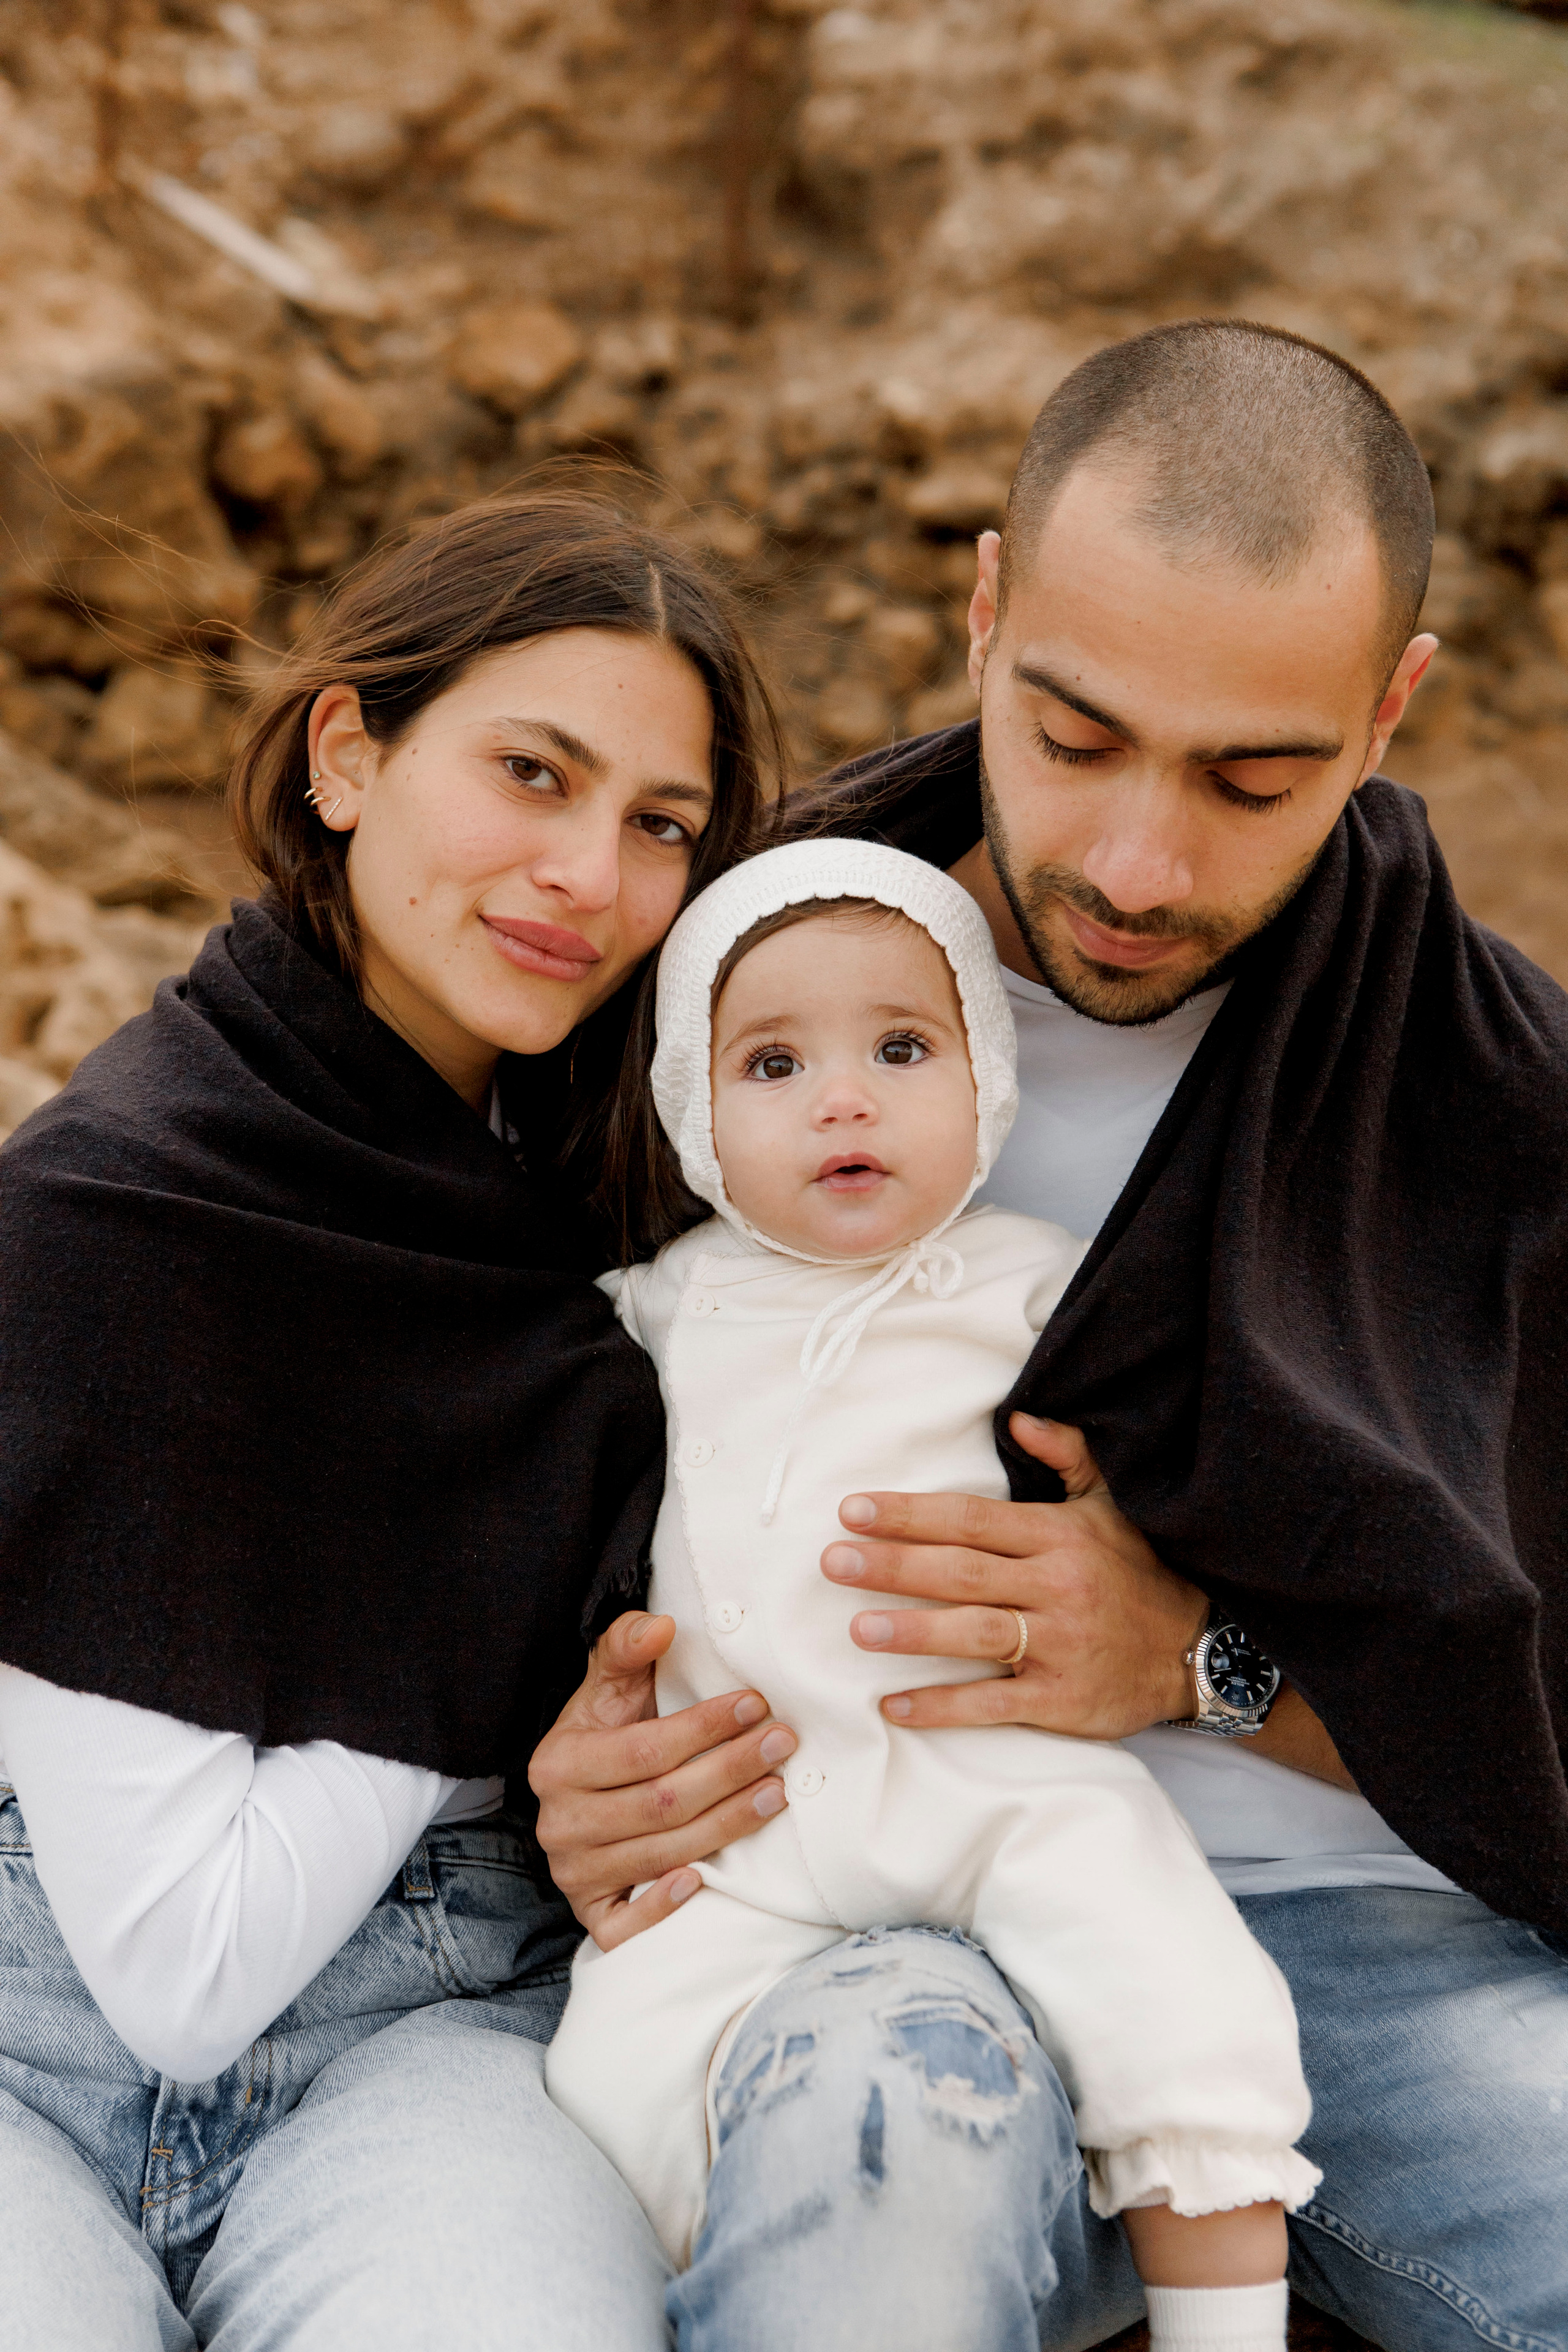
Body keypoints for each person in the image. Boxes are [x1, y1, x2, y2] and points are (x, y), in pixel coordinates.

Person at [531, 323, 1568, 2351]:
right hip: (879, 1921)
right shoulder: (719, 1002)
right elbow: (486, 1473)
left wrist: (1199, 1663)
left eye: (1253, 778)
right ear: (985, 609)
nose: (1135, 862)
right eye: (1076, 737)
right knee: (871, 2250)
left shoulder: (1506, 1106)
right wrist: (563, 1770)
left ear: (1390, 714)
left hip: (1382, 1950)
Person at [0, 491, 785, 2352]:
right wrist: (497, 1592)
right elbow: (183, 1970)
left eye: (658, 825)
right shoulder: (111, 1228)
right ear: (349, 753)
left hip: (437, 2024)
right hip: (35, 2029)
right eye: (533, 771)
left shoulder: (643, 1199)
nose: (589, 873)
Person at [547, 838, 1320, 2351]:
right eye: (771, 1064)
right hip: (748, 1838)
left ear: (984, 1078)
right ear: (693, 1116)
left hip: (991, 1782)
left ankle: (1222, 2321)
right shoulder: (656, 1308)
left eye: (901, 1048)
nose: (843, 1098)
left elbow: (1224, 1450)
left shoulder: (1037, 1286)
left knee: (1173, 1988)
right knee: (605, 2074)